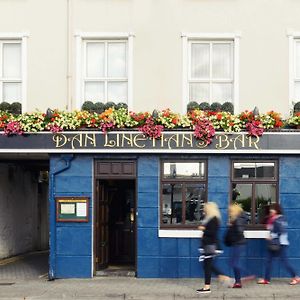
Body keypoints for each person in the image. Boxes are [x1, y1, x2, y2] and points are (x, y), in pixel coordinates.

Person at [257, 203, 300, 285]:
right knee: (268, 261)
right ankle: (266, 279)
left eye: (272, 209)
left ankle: (296, 277)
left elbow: (281, 231)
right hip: (274, 243)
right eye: (270, 209)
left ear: (276, 210)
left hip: (280, 244)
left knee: (284, 262)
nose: (270, 210)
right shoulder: (274, 219)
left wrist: (271, 237)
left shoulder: (278, 219)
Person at [197, 202, 233, 294]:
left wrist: (203, 229)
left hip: (210, 245)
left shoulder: (213, 219)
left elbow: (212, 232)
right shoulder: (210, 219)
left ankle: (207, 287)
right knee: (207, 266)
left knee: (207, 266)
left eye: (205, 209)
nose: (204, 210)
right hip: (208, 244)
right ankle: (224, 277)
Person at [225, 204, 255, 288]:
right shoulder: (239, 219)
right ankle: (238, 282)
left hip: (238, 243)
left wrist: (231, 226)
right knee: (233, 263)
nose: (229, 213)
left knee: (233, 263)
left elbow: (239, 231)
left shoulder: (237, 220)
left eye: (230, 211)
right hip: (238, 243)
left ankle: (246, 276)